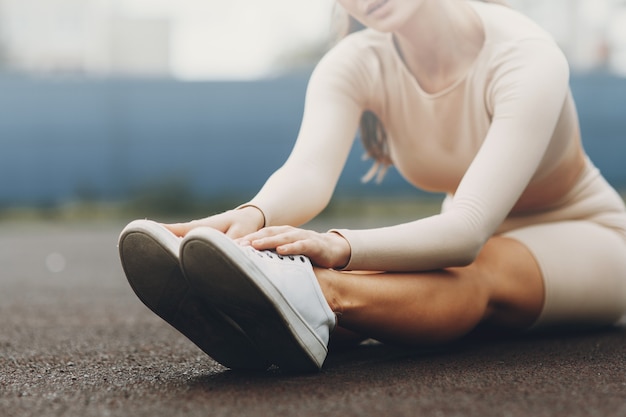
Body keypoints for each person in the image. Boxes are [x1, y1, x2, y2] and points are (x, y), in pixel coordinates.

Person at [118, 0, 626, 373]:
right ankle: (260, 315)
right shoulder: (354, 61)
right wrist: (253, 217)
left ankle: (314, 296)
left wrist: (336, 249)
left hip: (588, 236)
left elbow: (468, 232)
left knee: (478, 268)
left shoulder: (527, 55)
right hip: (474, 235)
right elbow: (309, 172)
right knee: (389, 280)